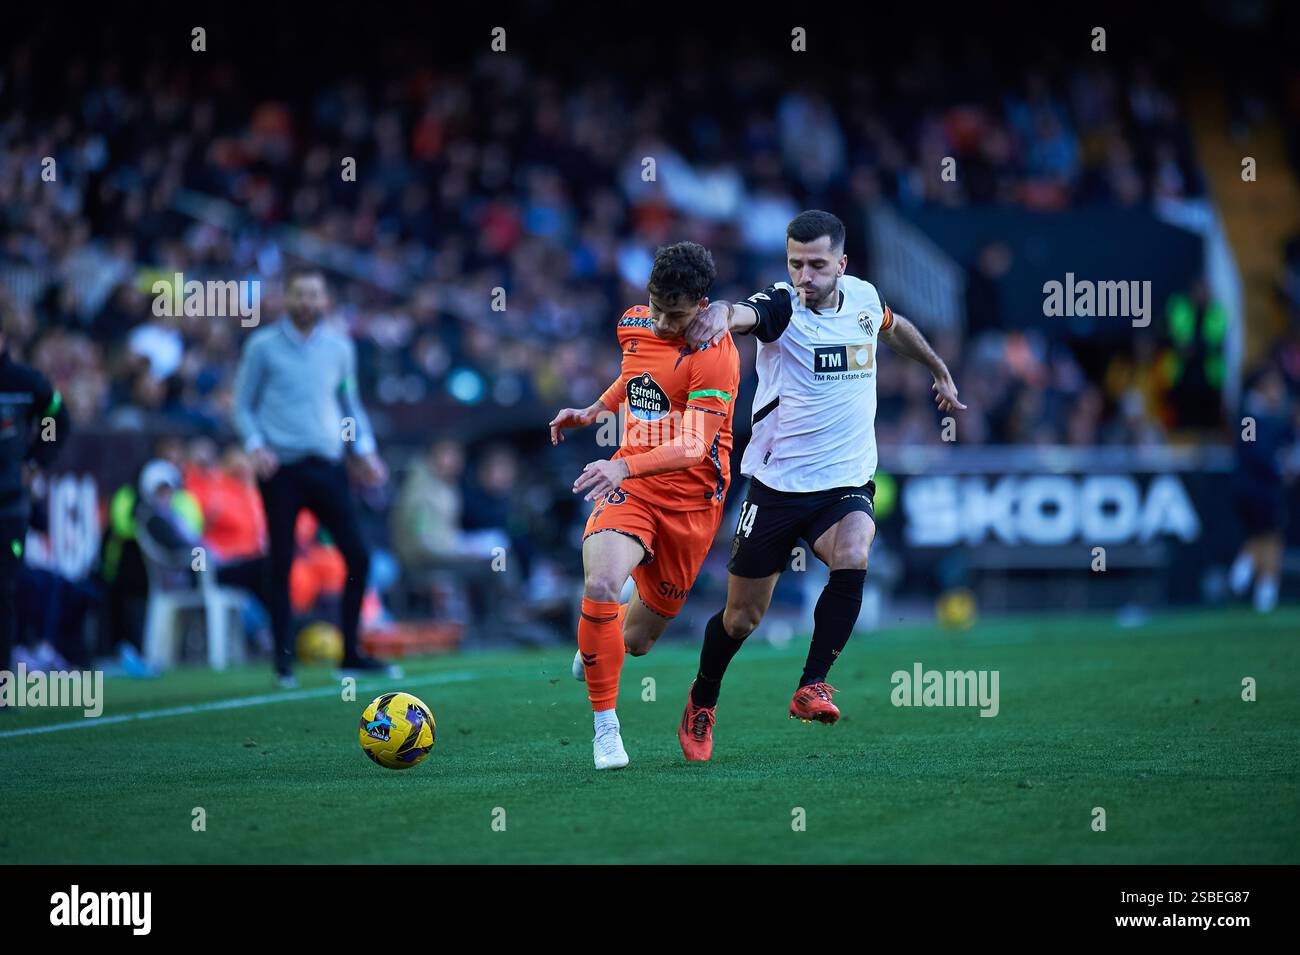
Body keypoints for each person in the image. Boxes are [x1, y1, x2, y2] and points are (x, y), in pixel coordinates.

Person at [676, 210, 965, 760]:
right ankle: (703, 696)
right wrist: (720, 315)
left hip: (845, 482)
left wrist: (938, 368)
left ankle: (811, 685)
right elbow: (745, 312)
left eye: (816, 264)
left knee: (855, 550)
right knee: (742, 619)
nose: (804, 275)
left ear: (842, 263)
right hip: (776, 487)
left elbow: (893, 325)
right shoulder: (782, 307)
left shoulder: (861, 298)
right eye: (795, 263)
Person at [549, 241, 739, 770]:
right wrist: (594, 411)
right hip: (631, 487)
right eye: (654, 305)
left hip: (692, 505)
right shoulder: (634, 322)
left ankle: (601, 641)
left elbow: (694, 446)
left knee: (635, 642)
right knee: (601, 586)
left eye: (673, 314)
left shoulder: (716, 355)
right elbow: (637, 377)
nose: (658, 320)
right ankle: (606, 731)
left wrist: (622, 466)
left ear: (701, 306)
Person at [231, 267, 397, 688]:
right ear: (287, 299)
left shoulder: (340, 348)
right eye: (300, 294)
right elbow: (242, 405)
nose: (307, 302)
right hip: (281, 468)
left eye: (315, 295)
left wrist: (364, 451)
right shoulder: (263, 346)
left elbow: (349, 403)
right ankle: (283, 660)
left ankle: (351, 654)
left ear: (325, 301)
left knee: (358, 555)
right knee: (282, 560)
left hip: (328, 464)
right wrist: (254, 445)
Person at [0, 331, 70, 708]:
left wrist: (35, 460)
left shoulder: (25, 384)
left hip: (8, 505)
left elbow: (57, 416)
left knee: (3, 594)